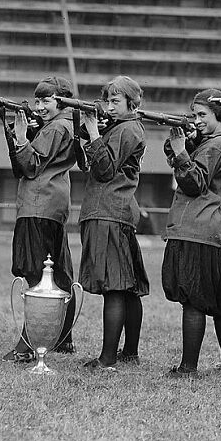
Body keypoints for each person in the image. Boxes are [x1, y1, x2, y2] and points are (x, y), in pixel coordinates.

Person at [161, 89, 221, 379]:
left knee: (193, 299)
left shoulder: (217, 145)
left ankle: (188, 368)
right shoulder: (218, 142)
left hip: (195, 226)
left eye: (202, 115)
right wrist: (183, 144)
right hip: (206, 228)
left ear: (219, 115)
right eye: (195, 114)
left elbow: (193, 183)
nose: (197, 119)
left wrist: (182, 150)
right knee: (219, 300)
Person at [1, 76, 78, 363]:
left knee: (36, 276)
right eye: (38, 100)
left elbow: (30, 166)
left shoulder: (57, 127)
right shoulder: (65, 124)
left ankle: (29, 344)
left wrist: (21, 138)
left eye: (46, 100)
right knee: (57, 273)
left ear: (63, 101)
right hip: (52, 204)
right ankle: (62, 336)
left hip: (38, 204)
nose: (40, 106)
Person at [78, 76, 149, 371]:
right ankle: (129, 351)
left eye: (115, 101)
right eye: (108, 100)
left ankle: (107, 358)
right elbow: (90, 164)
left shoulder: (129, 128)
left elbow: (105, 170)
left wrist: (94, 132)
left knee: (115, 288)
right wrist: (89, 133)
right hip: (113, 211)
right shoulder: (120, 128)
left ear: (132, 104)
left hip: (109, 212)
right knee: (126, 285)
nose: (109, 106)